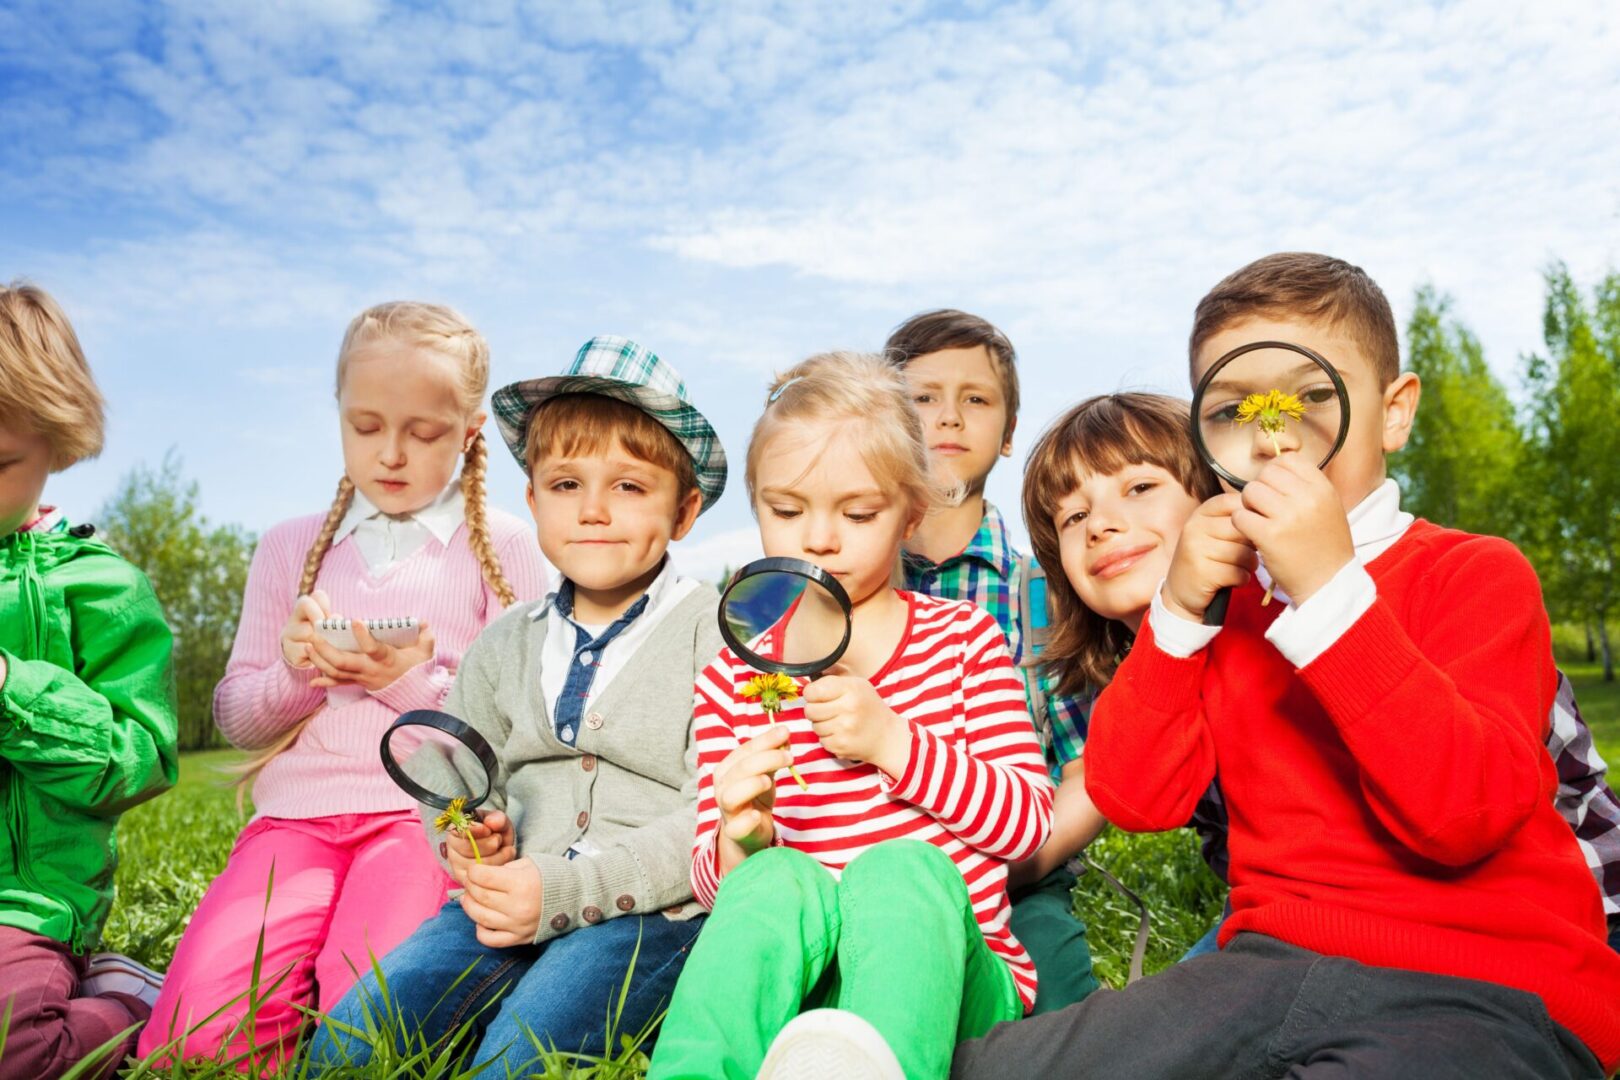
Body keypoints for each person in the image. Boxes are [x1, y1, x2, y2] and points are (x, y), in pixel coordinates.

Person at [949, 253, 1620, 1078]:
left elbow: (1462, 817)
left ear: (1393, 413)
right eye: (1237, 408)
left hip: (1485, 980)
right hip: (1265, 969)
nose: (1274, 435)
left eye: (1309, 398)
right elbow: (1135, 796)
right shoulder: (1226, 614)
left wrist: (1331, 590)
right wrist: (1179, 613)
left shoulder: (1474, 572)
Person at [139, 301, 547, 1066]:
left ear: (466, 434)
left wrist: (408, 682)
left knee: (370, 1029)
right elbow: (237, 716)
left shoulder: (505, 546)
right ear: (338, 416)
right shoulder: (290, 546)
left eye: (422, 433)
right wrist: (297, 673)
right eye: (365, 426)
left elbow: (527, 722)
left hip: (425, 819)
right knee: (193, 1043)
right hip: (296, 822)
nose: (390, 454)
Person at [310, 336, 728, 1074]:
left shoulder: (710, 632)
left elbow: (714, 818)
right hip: (504, 901)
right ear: (532, 500)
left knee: (517, 1058)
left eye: (629, 487)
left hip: (649, 914)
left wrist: (562, 890)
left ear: (685, 508)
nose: (594, 511)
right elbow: (452, 775)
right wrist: (466, 841)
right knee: (349, 1046)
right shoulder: (506, 643)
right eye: (567, 485)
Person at [648, 351, 1054, 1080]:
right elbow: (718, 891)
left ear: (910, 513)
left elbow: (1026, 825)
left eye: (857, 512)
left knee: (900, 870)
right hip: (799, 1001)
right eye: (787, 509)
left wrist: (895, 743)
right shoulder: (731, 677)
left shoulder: (963, 642)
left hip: (952, 990)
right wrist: (740, 834)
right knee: (771, 883)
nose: (819, 538)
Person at [886, 309, 1101, 1012]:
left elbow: (1084, 768)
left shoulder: (1044, 595)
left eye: (975, 399)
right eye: (922, 398)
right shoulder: (840, 581)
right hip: (858, 872)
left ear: (1008, 434)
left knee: (1063, 1031)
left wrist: (1016, 864)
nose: (948, 416)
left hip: (1015, 884)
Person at [0, 282, 179, 1080]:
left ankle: (125, 998)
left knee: (18, 1050)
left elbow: (140, 757)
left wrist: (9, 688)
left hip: (23, 904)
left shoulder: (101, 586)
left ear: (57, 440)